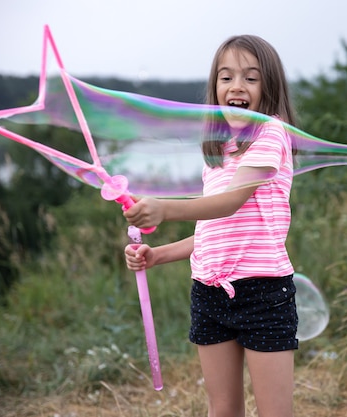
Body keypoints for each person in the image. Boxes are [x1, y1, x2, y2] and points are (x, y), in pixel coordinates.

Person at [124, 34, 298, 417]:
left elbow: (229, 202)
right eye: (226, 77)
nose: (237, 86)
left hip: (263, 293)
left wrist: (165, 210)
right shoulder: (219, 152)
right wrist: (158, 255)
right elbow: (213, 227)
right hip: (208, 291)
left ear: (269, 87)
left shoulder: (271, 132)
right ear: (215, 87)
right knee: (222, 410)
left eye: (251, 78)